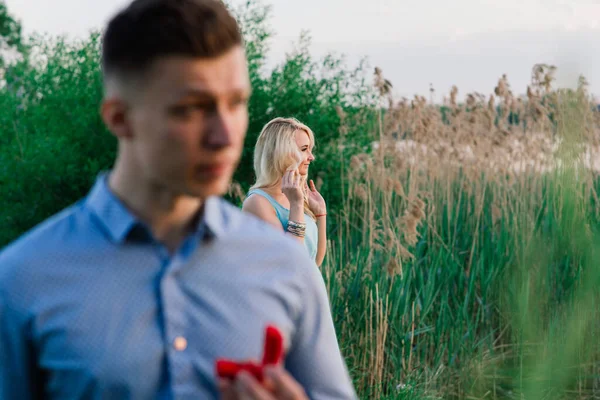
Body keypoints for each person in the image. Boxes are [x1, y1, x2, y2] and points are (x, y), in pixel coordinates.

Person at [0, 0, 357, 399]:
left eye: (236, 103)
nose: (225, 137)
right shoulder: (20, 282)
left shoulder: (286, 266)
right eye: (191, 109)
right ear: (119, 117)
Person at [242, 118, 328, 266]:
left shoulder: (296, 196)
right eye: (303, 149)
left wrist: (321, 214)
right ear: (282, 153)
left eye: (310, 149)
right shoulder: (257, 203)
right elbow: (292, 261)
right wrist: (297, 205)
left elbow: (315, 262)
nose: (311, 157)